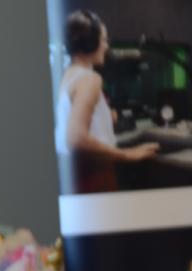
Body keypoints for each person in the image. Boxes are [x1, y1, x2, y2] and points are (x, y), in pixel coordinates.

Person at [55, 9, 158, 193]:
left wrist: (104, 117)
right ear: (90, 42)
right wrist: (128, 154)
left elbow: (69, 123)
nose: (106, 46)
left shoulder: (68, 76)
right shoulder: (91, 79)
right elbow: (76, 138)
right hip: (94, 177)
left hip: (74, 177)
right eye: (103, 40)